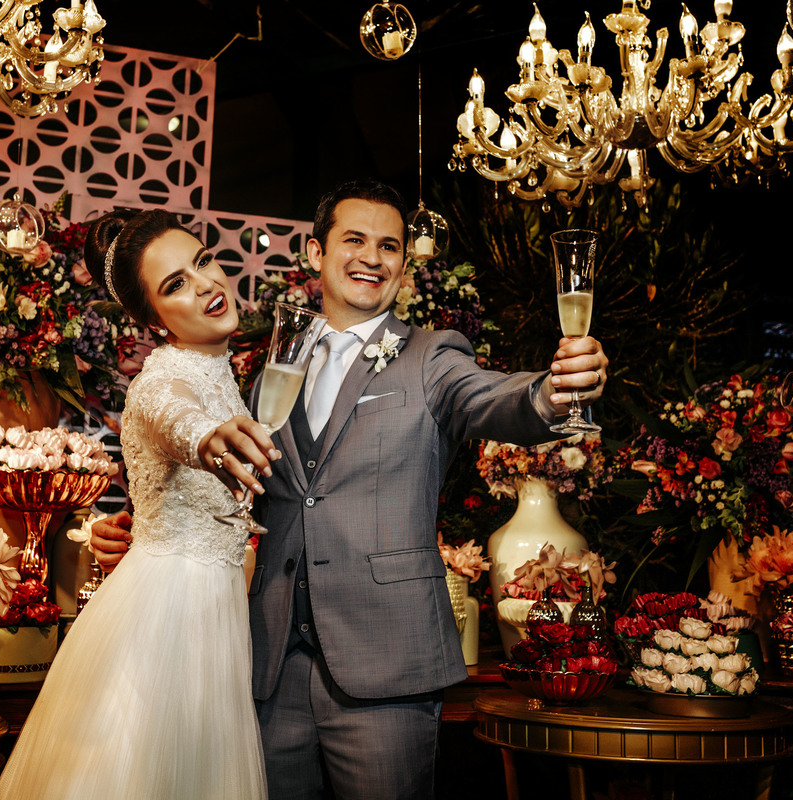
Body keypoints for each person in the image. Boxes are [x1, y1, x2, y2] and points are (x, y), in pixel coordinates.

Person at [91, 180, 609, 799]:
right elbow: (232, 480)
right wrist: (145, 535)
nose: (373, 257)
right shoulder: (266, 364)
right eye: (354, 240)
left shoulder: (431, 356)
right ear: (316, 254)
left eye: (389, 245)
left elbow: (491, 398)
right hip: (267, 664)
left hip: (384, 663)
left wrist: (551, 391)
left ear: (404, 263)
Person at [0, 209, 280, 800]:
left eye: (202, 262)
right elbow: (177, 418)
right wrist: (210, 438)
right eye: (175, 284)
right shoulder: (158, 383)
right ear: (152, 319)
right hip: (169, 623)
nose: (204, 284)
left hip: (214, 612)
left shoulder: (219, 369)